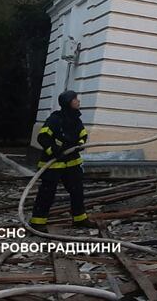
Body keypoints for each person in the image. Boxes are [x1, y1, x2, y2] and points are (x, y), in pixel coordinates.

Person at [30, 90, 96, 231]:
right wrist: (53, 150)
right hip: (53, 163)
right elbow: (42, 137)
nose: (78, 101)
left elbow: (83, 135)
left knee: (77, 191)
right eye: (75, 99)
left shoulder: (76, 120)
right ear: (68, 102)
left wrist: (79, 144)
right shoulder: (55, 119)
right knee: (47, 192)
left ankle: (80, 219)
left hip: (72, 162)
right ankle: (37, 221)